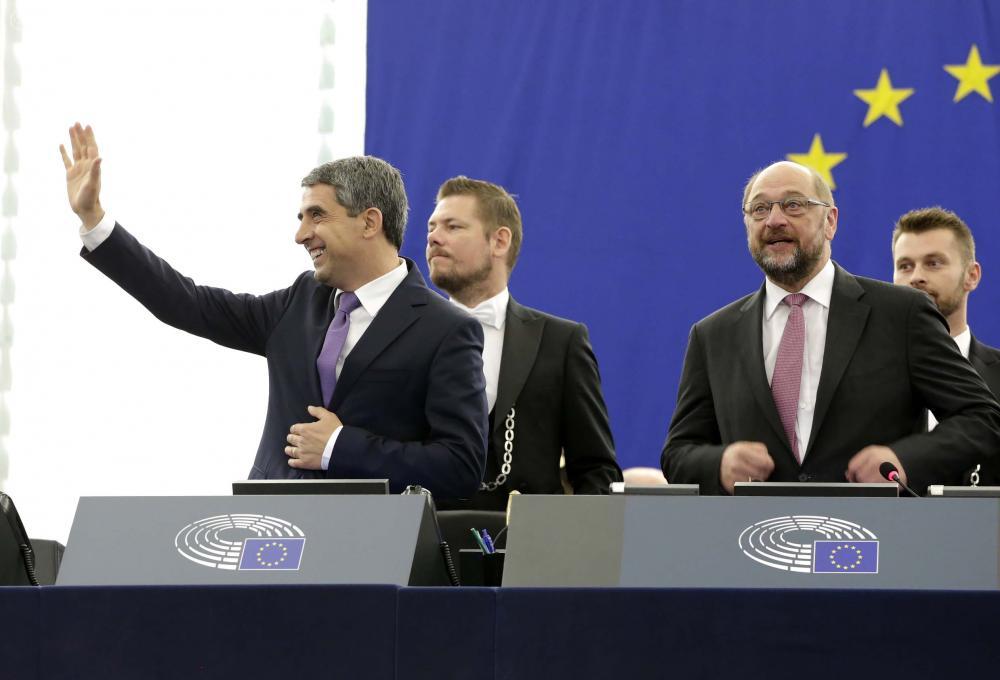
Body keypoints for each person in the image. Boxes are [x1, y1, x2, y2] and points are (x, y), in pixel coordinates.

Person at [60, 123, 487, 497]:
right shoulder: (300, 300)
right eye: (301, 217)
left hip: (372, 545)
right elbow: (188, 303)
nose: (301, 234)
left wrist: (339, 447)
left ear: (369, 222)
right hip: (270, 530)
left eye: (316, 216)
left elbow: (460, 467)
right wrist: (95, 222)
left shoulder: (446, 329)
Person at [661, 160, 1000, 495]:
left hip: (874, 527)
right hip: (755, 530)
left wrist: (904, 461)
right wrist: (719, 464)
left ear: (830, 221)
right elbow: (678, 453)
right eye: (760, 209)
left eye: (793, 205)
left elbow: (981, 418)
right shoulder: (713, 336)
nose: (774, 220)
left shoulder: (902, 314)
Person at [425, 176, 621, 510]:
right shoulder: (409, 335)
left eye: (453, 226)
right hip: (427, 533)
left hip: (530, 536)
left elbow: (595, 469)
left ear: (499, 241)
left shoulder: (562, 342)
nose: (434, 237)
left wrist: (573, 536)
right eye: (431, 227)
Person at [892, 206, 1000, 485]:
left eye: (933, 263)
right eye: (905, 266)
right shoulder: (864, 374)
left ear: (971, 275)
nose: (916, 277)